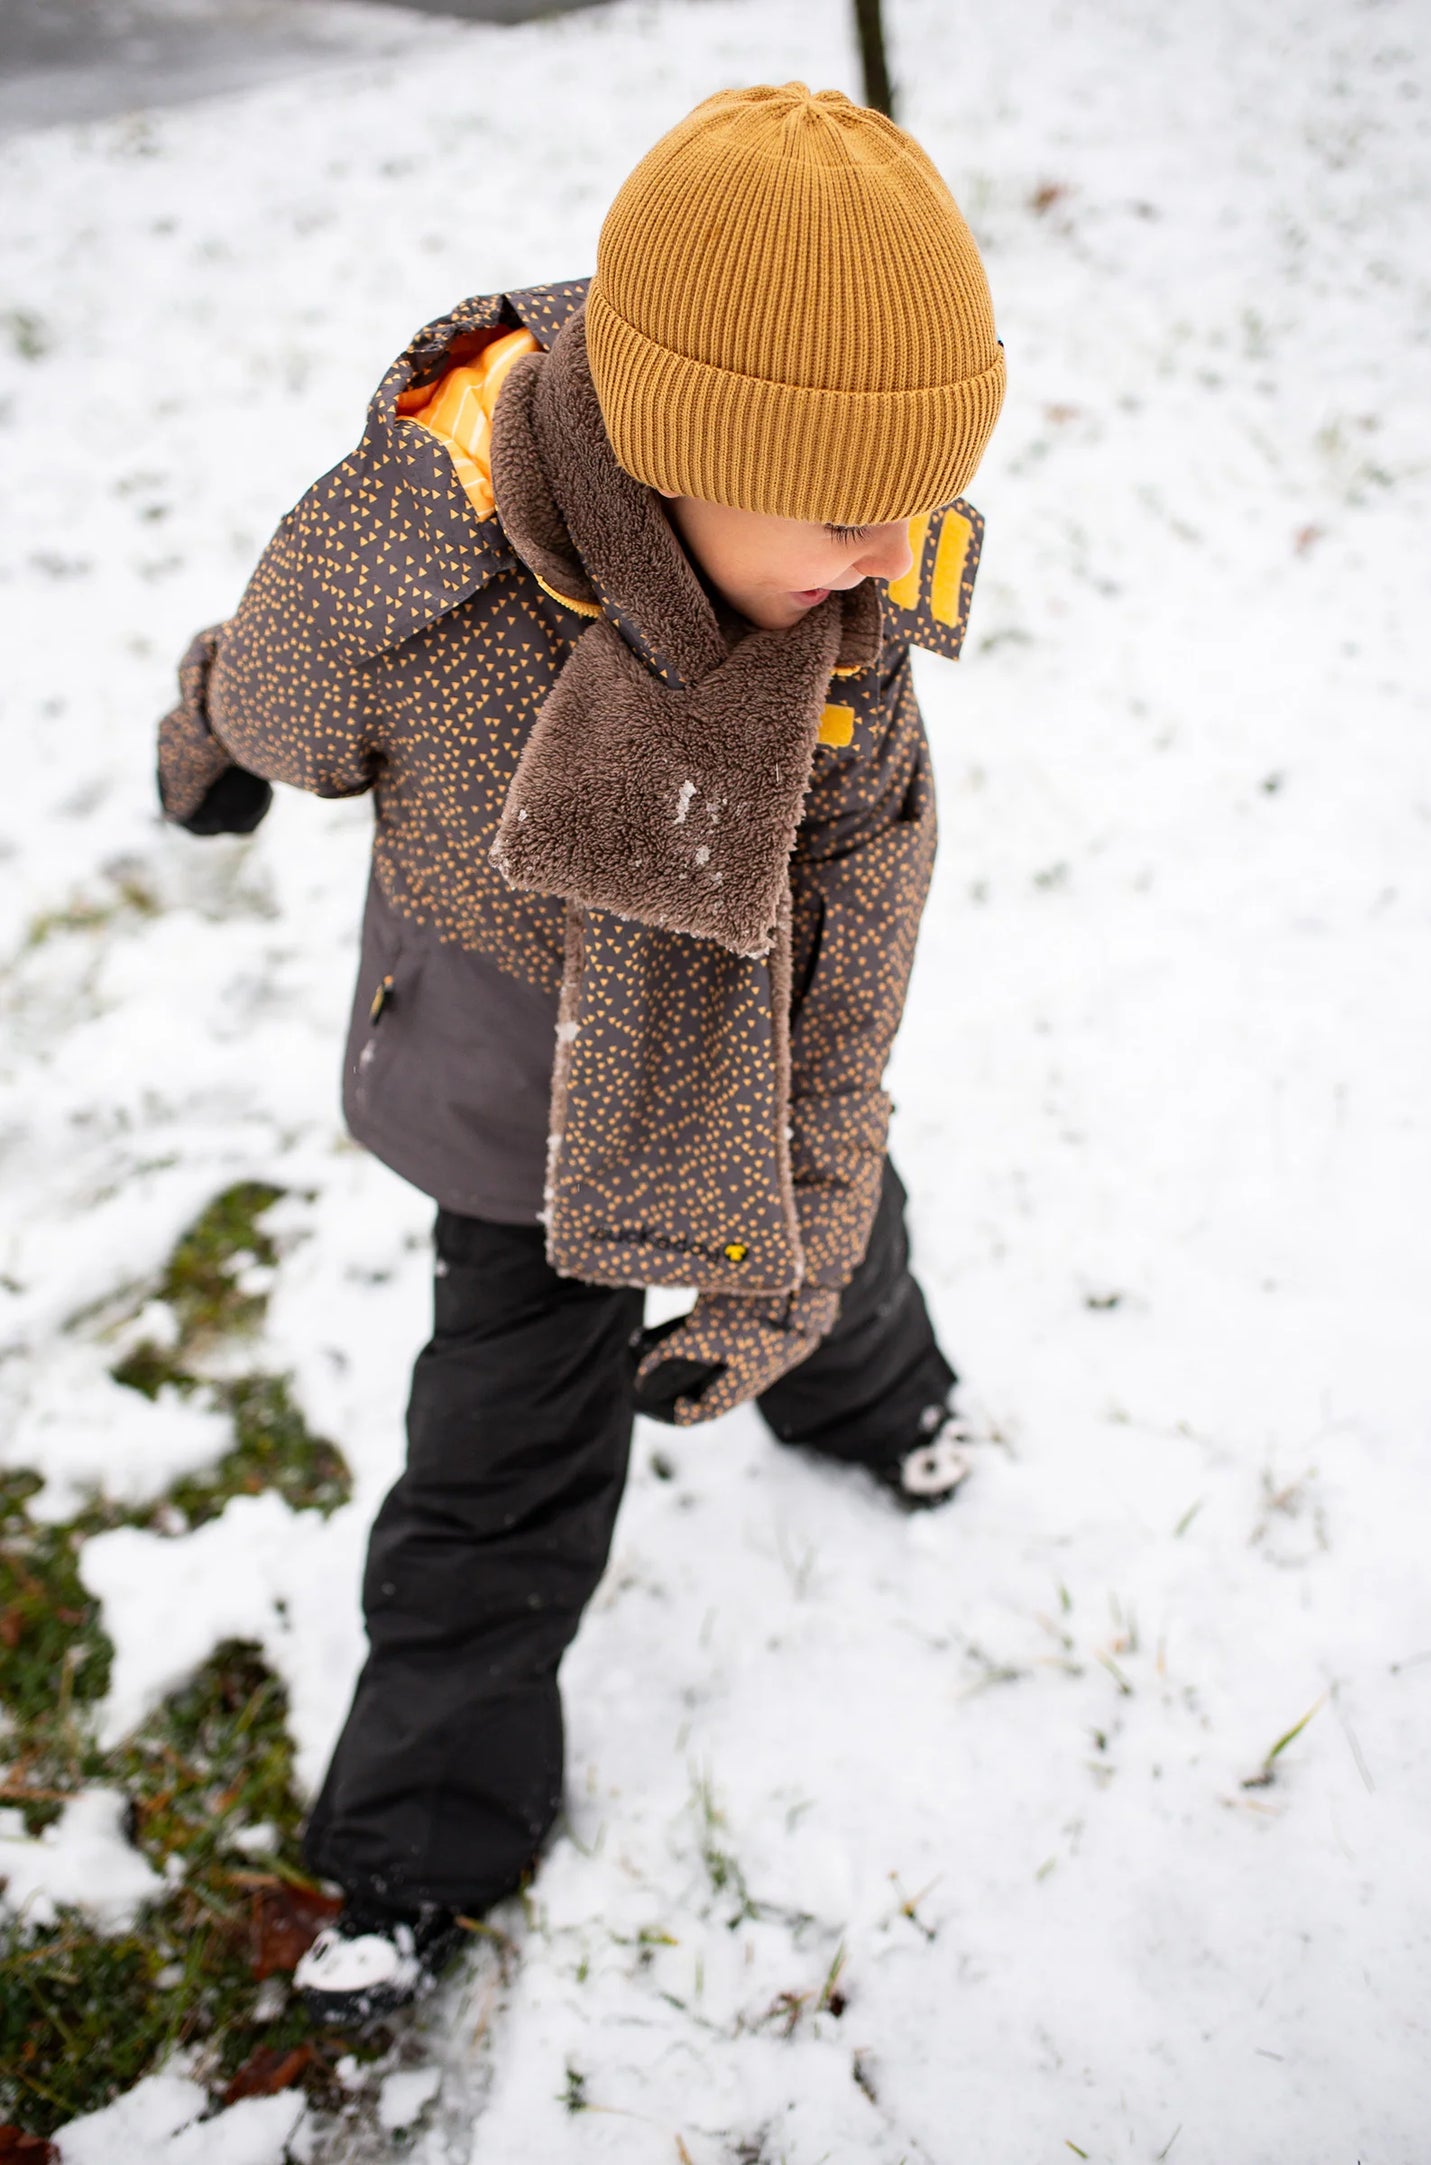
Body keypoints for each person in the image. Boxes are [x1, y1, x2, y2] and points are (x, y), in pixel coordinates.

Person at [156, 81, 1006, 2026]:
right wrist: (211, 731)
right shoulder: (430, 548)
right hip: (505, 1092)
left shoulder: (850, 658)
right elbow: (286, 677)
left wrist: (794, 1215)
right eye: (846, 507)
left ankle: (879, 1400)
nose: (897, 555)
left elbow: (850, 990)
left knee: (825, 1231)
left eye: (923, 497)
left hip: (735, 1061)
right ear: (691, 449)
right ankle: (416, 1850)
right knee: (497, 1483)